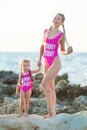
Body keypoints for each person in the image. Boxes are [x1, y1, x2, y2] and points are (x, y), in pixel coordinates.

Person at [37, 13, 73, 118]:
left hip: (55, 63)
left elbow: (62, 50)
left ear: (62, 23)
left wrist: (68, 52)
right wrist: (39, 60)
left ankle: (50, 111)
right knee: (51, 87)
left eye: (59, 19)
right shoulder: (46, 32)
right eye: (55, 18)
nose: (56, 20)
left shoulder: (61, 35)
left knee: (44, 84)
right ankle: (54, 112)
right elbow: (42, 47)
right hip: (46, 62)